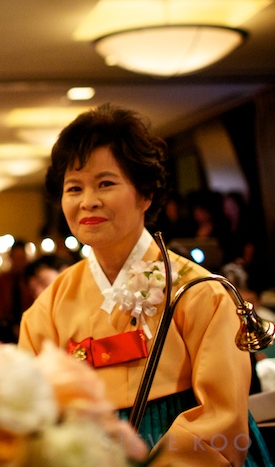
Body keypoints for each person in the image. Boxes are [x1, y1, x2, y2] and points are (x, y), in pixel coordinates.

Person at [19, 103, 271, 466]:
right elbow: (31, 409)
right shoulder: (50, 304)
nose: (88, 201)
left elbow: (223, 416)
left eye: (105, 183)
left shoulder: (201, 292)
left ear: (145, 193)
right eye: (74, 188)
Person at [0, 240, 34, 343]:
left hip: (27, 327)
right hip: (4, 331)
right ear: (11, 258)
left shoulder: (30, 281)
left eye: (22, 258)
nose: (19, 261)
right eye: (17, 258)